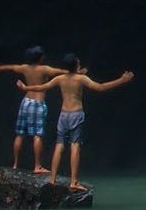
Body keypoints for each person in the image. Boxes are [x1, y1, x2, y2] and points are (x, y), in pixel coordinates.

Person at [18, 54, 135, 192]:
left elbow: (42, 86)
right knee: (75, 146)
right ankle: (73, 181)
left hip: (63, 115)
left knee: (59, 145)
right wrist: (122, 80)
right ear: (76, 66)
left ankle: (52, 180)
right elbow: (101, 87)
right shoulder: (81, 79)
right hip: (76, 114)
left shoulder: (60, 79)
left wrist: (26, 88)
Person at [0, 47, 67, 173]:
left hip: (25, 102)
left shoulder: (25, 68)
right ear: (40, 58)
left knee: (20, 134)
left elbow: (12, 67)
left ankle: (15, 164)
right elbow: (61, 71)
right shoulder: (44, 69)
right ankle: (37, 165)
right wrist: (77, 72)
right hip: (38, 103)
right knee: (37, 135)